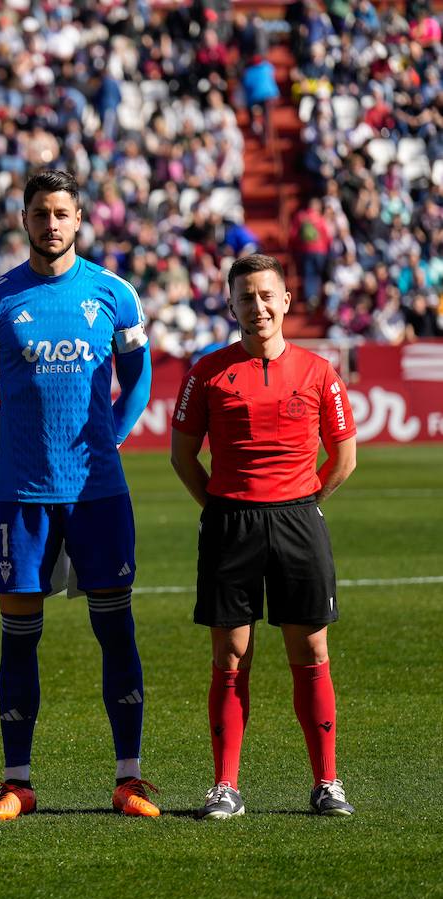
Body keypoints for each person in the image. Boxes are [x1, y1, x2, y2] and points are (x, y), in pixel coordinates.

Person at [0, 169, 159, 820]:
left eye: (62, 213)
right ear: (23, 220)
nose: (51, 224)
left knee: (116, 632)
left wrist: (115, 435)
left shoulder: (113, 295)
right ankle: (17, 782)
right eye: (40, 213)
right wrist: (15, 446)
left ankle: (128, 779)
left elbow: (137, 379)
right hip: (21, 496)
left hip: (99, 493)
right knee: (19, 638)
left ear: (80, 220)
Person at [171, 253, 358, 819]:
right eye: (245, 298)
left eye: (265, 296)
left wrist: (303, 505)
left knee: (312, 649)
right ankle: (225, 786)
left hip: (298, 520)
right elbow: (183, 456)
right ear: (230, 305)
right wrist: (223, 508)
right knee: (231, 656)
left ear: (285, 301)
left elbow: (344, 456)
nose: (257, 307)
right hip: (232, 523)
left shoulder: (320, 371)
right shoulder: (206, 372)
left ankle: (327, 782)